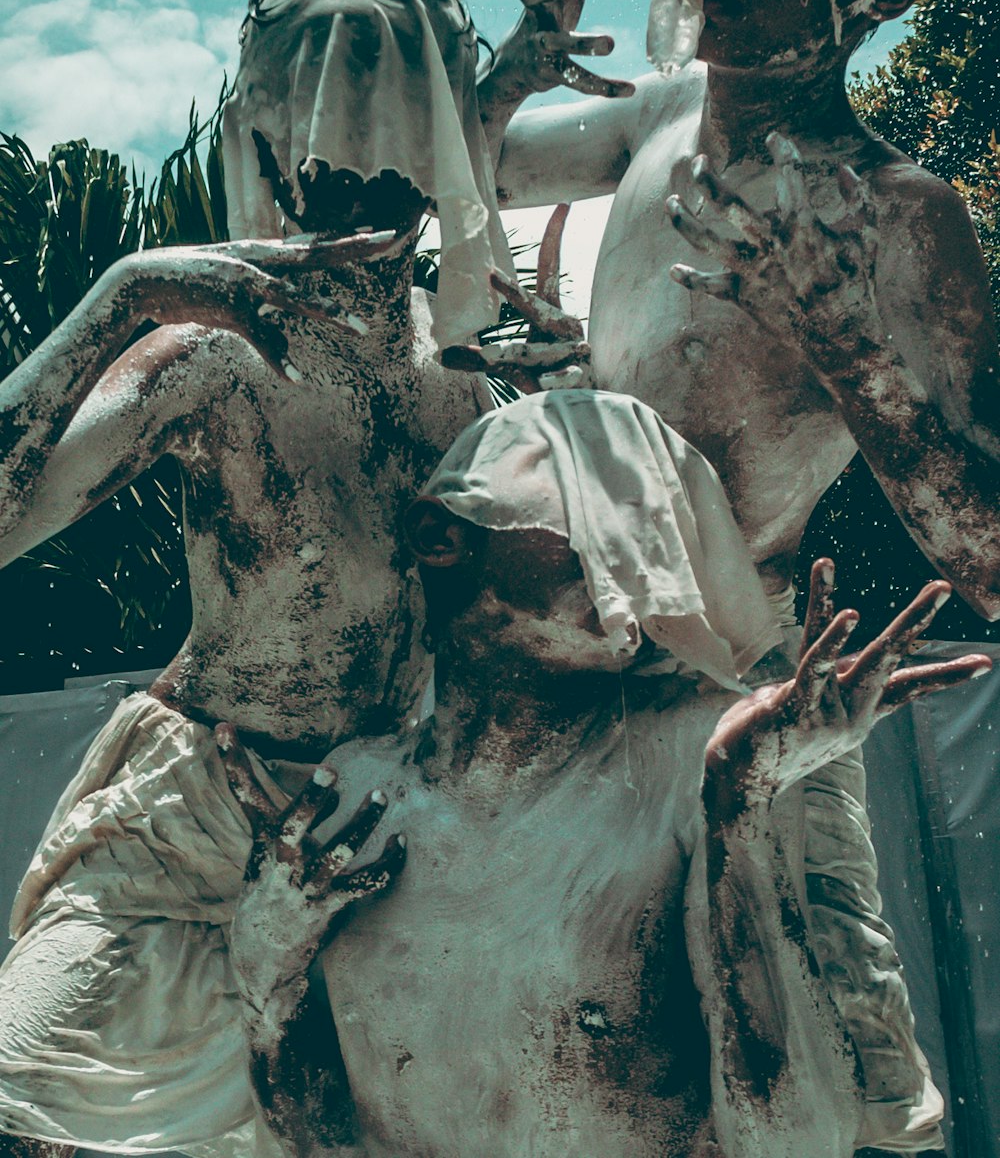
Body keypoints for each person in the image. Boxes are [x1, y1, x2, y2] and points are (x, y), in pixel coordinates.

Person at [473, 0, 997, 1149]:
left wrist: (851, 355)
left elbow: (990, 560)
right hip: (568, 677)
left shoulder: (899, 214)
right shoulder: (655, 117)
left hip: (756, 697)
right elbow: (446, 178)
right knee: (567, 1078)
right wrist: (511, 65)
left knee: (862, 1093)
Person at [0, 0, 533, 1157]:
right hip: (186, 836)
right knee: (22, 1098)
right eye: (320, 129)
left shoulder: (478, 380)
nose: (349, 169)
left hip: (386, 843)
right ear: (269, 135)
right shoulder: (208, 350)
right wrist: (124, 295)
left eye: (390, 124)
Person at [215, 390, 990, 1158]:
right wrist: (266, 967)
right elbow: (317, 1146)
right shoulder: (355, 794)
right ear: (438, 535)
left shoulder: (696, 759)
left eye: (664, 529)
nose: (640, 558)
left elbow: (794, 1145)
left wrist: (738, 807)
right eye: (601, 509)